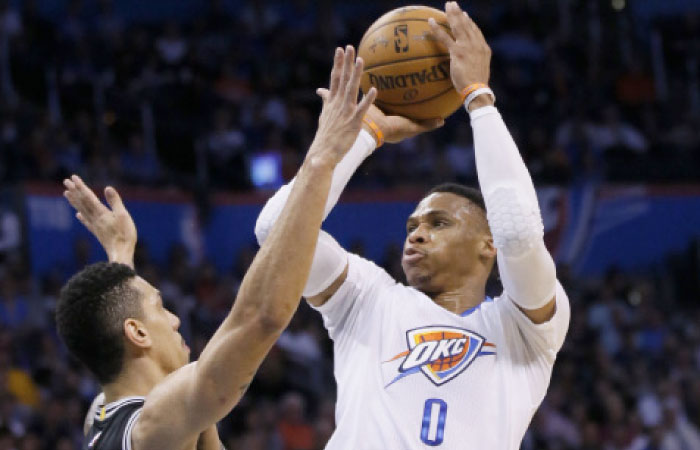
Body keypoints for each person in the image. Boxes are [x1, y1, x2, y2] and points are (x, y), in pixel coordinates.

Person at [254, 3, 571, 449]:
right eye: (411, 226)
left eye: (439, 223)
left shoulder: (523, 329)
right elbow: (276, 235)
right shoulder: (367, 301)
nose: (416, 234)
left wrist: (478, 96)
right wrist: (364, 135)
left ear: (488, 245)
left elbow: (518, 231)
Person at [56, 46, 377, 450]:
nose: (175, 320)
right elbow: (261, 317)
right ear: (136, 332)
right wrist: (323, 156)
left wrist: (122, 258)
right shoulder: (153, 429)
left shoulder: (101, 416)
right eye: (160, 308)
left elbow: (118, 329)